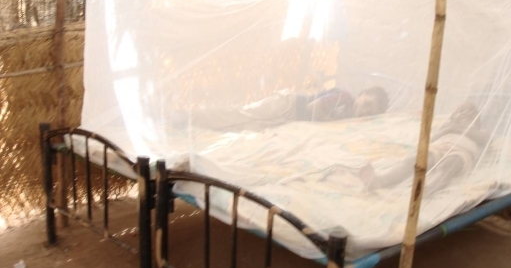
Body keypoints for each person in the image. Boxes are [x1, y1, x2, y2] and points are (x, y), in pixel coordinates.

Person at [358, 102, 489, 191]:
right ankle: (381, 180)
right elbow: (430, 140)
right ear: (453, 116)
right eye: (459, 111)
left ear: (477, 120)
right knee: (413, 162)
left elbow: (484, 140)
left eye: (469, 112)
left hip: (460, 152)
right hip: (439, 148)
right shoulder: (446, 126)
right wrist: (446, 129)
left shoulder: (479, 131)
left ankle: (430, 187)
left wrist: (456, 128)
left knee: (447, 166)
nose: (463, 114)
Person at [175, 86, 389, 131]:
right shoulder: (345, 97)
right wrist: (331, 124)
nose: (365, 111)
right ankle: (187, 117)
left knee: (245, 126)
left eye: (371, 111)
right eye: (367, 103)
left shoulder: (352, 116)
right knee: (242, 114)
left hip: (290, 117)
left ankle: (193, 125)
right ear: (361, 94)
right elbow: (313, 107)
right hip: (288, 104)